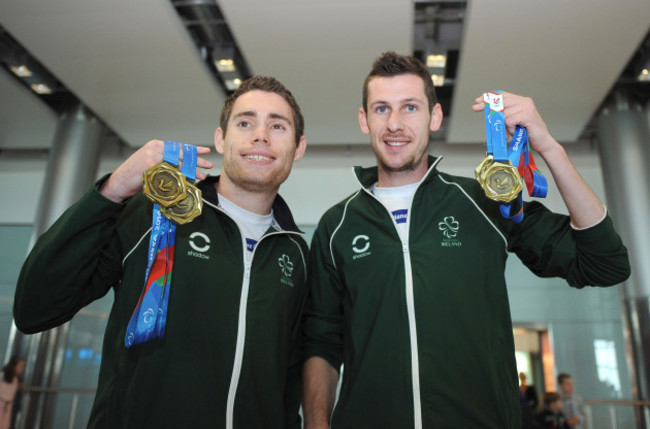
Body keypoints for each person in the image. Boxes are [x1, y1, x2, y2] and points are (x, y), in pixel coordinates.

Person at [301, 51, 630, 428]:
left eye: (410, 107)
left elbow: (605, 264)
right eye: (381, 109)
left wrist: (550, 148)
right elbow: (322, 342)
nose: (394, 123)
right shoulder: (337, 226)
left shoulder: (485, 203)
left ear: (435, 117)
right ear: (364, 119)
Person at [14, 76, 308, 428]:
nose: (260, 135)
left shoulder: (296, 253)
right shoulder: (154, 214)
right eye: (245, 122)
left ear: (298, 147)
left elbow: (288, 382)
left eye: (278, 125)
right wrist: (113, 189)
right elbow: (35, 307)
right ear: (221, 138)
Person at [0, 357, 25, 429]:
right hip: (1, 402)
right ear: (14, 366)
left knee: (5, 425)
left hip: (8, 405)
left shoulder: (16, 379)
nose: (21, 369)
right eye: (20, 366)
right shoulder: (2, 376)